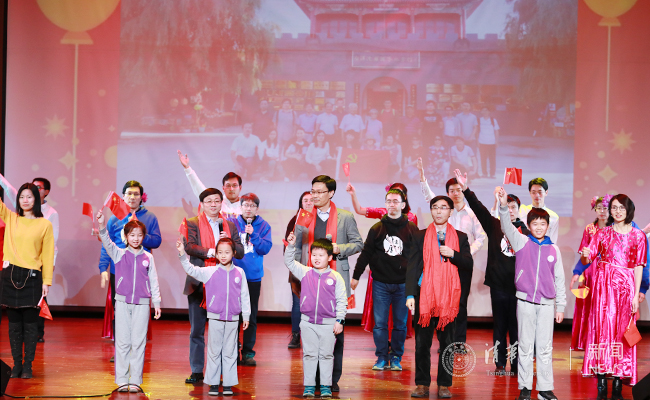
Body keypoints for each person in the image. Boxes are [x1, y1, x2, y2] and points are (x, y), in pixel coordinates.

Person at [453, 170, 529, 375]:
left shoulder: (527, 233)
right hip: (498, 286)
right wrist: (466, 189)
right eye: (507, 206)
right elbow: (477, 208)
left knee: (517, 329)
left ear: (519, 210)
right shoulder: (495, 226)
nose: (510, 210)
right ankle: (499, 364)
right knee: (499, 327)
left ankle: (516, 365)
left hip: (520, 288)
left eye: (513, 207)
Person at [293, 175, 363, 392]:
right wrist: (295, 273)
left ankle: (331, 380)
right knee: (311, 335)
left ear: (331, 193)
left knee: (335, 332)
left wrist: (338, 248)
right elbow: (297, 247)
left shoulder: (345, 217)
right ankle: (312, 380)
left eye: (319, 192)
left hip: (335, 278)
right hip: (310, 279)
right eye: (312, 191)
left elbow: (358, 243)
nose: (314, 196)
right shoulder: (304, 216)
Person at [572, 194, 646, 399]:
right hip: (604, 289)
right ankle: (602, 384)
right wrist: (585, 254)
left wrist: (635, 295)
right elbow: (587, 258)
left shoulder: (638, 236)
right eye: (614, 207)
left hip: (626, 289)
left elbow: (639, 267)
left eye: (622, 207)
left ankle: (618, 387)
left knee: (623, 335)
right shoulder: (602, 233)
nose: (617, 211)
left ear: (629, 209)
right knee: (602, 332)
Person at [498, 187, 565, 400]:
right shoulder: (521, 242)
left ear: (548, 226)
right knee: (525, 346)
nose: (538, 227)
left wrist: (560, 306)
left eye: (542, 224)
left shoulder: (554, 249)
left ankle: (545, 388)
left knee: (545, 348)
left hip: (547, 304)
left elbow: (559, 279)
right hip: (525, 302)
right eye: (534, 223)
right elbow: (506, 226)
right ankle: (525, 387)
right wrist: (502, 206)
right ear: (528, 225)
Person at [406, 195, 473, 399]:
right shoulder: (419, 235)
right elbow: (412, 265)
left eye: (443, 207)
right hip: (424, 297)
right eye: (435, 207)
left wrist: (453, 254)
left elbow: (468, 264)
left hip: (448, 299)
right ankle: (422, 384)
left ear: (450, 212)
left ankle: (444, 384)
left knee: (448, 344)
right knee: (421, 344)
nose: (438, 211)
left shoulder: (461, 237)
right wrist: (410, 294)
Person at [351, 189, 418, 372]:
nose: (391, 204)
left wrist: (416, 282)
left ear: (403, 205)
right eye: (388, 201)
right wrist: (356, 276)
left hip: (403, 285)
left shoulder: (411, 228)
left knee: (400, 324)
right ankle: (381, 356)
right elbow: (366, 254)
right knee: (380, 324)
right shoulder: (377, 228)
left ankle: (396, 357)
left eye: (395, 201)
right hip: (380, 283)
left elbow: (417, 257)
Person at [183, 188, 244, 385]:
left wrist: (229, 243)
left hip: (225, 286)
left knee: (225, 332)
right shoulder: (192, 222)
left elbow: (240, 251)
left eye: (217, 201)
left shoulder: (230, 225)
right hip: (199, 283)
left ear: (221, 203)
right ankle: (197, 370)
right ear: (202, 204)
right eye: (209, 201)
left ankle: (225, 372)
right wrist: (213, 251)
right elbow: (189, 246)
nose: (213, 204)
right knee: (197, 330)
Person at [96, 209, 161, 393]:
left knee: (138, 343)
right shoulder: (119, 254)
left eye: (139, 235)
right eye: (132, 235)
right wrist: (101, 225)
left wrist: (156, 302)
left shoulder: (148, 257)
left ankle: (135, 381)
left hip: (142, 304)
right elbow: (106, 242)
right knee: (123, 342)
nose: (136, 238)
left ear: (143, 237)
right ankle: (122, 380)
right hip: (123, 303)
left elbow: (154, 280)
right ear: (125, 236)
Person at [177, 237, 251, 397]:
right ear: (216, 254)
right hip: (215, 318)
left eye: (227, 252)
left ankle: (228, 384)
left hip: (233, 319)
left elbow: (245, 295)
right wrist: (182, 254)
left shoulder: (240, 273)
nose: (223, 255)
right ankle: (214, 382)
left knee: (230, 352)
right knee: (214, 351)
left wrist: (246, 315)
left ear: (233, 253)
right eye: (220, 252)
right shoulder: (210, 272)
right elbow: (191, 270)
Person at [420, 176, 486, 349]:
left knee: (460, 303)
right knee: (441, 301)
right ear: (447, 193)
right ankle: (445, 342)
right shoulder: (444, 211)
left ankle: (459, 342)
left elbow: (480, 237)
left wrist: (466, 254)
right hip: (442, 264)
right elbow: (429, 196)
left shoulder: (471, 214)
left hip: (462, 264)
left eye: (458, 190)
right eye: (452, 191)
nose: (456, 193)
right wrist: (422, 177)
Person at [0, 183, 54, 379]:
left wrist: (46, 281)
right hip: (10, 275)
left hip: (32, 277)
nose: (25, 200)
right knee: (14, 325)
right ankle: (16, 365)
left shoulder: (45, 224)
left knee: (31, 325)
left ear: (36, 199)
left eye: (29, 196)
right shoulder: (11, 217)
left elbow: (47, 255)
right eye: (22, 196)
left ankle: (28, 366)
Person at [285, 234, 346, 398]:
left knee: (326, 355)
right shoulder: (305, 272)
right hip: (308, 323)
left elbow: (341, 301)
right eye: (314, 255)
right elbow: (289, 262)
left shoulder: (336, 277)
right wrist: (291, 246)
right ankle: (309, 386)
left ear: (330, 257)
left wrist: (339, 320)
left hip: (328, 324)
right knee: (309, 355)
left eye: (321, 255)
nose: (316, 258)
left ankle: (326, 386)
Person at [233, 193, 273, 366]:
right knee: (233, 315)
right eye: (245, 205)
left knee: (250, 315)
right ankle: (232, 350)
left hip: (253, 277)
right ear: (240, 207)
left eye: (252, 206)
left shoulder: (263, 226)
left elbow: (265, 249)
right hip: (234, 276)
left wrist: (254, 235)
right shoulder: (232, 223)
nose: (248, 209)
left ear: (257, 208)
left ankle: (248, 352)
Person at [570, 195, 611, 351]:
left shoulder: (614, 229)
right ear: (595, 210)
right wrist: (577, 272)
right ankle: (588, 342)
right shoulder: (589, 229)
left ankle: (605, 342)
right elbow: (583, 255)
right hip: (591, 274)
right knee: (588, 308)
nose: (602, 211)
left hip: (608, 274)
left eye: (605, 208)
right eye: (599, 208)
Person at [285, 191, 314, 349]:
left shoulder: (321, 220)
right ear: (301, 203)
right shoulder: (295, 221)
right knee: (297, 303)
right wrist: (295, 266)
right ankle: (296, 335)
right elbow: (288, 246)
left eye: (311, 200)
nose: (309, 203)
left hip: (317, 269)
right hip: (298, 269)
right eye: (305, 200)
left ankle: (312, 337)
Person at [177, 151, 243, 219]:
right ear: (223, 188)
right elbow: (199, 188)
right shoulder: (216, 202)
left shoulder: (246, 204)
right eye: (228, 186)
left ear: (240, 188)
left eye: (234, 185)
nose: (231, 189)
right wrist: (188, 169)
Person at [518, 178, 559, 244]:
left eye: (540, 192)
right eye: (533, 192)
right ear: (530, 193)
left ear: (546, 192)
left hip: (544, 248)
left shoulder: (553, 216)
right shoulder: (522, 211)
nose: (537, 195)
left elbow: (553, 241)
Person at [477, 106, 500, 178]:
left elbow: (496, 131)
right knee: (483, 159)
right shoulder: (479, 120)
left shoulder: (493, 120)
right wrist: (477, 141)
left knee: (492, 159)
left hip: (491, 142)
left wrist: (496, 141)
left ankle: (492, 174)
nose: (485, 112)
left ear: (489, 112)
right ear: (481, 112)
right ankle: (484, 173)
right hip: (482, 142)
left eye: (486, 110)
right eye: (483, 110)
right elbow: (477, 131)